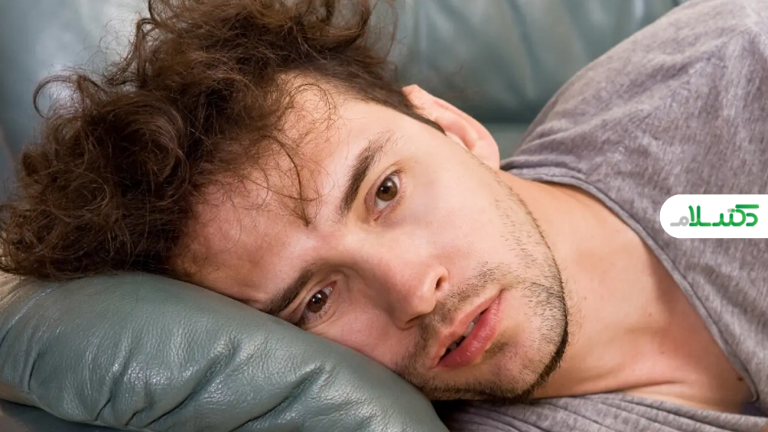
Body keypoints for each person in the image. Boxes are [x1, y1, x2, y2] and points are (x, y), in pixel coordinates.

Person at [1, 0, 767, 430]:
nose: (412, 291)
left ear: (452, 128)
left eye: (384, 192)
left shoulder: (736, 74)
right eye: (316, 300)